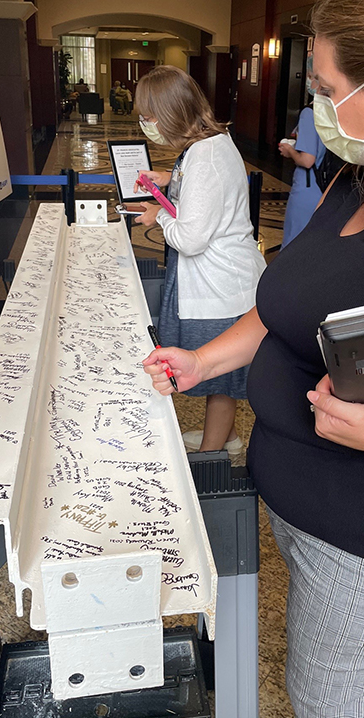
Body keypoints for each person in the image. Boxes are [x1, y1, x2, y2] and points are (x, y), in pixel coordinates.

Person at [142, 0, 364, 718]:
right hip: (308, 505)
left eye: (329, 90)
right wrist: (203, 359)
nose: (320, 107)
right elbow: (287, 306)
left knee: (338, 704)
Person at [133, 65, 266, 453]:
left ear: (171, 112)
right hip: (222, 278)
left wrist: (158, 217)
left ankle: (212, 454)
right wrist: (169, 180)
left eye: (149, 115)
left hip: (219, 283)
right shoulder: (209, 143)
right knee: (219, 375)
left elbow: (191, 238)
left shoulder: (204, 157)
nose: (146, 123)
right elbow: (203, 193)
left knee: (219, 378)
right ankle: (225, 435)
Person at [278, 58, 326, 247]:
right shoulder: (336, 112)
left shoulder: (309, 113)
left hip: (308, 187)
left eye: (309, 76)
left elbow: (307, 160)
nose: (308, 81)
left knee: (294, 243)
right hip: (328, 188)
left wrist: (290, 151)